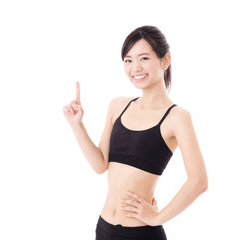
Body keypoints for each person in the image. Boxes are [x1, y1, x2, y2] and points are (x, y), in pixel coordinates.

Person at [62, 25, 208, 240]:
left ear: (165, 61)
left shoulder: (177, 118)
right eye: (128, 60)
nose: (135, 67)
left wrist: (158, 217)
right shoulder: (118, 106)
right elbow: (100, 164)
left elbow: (199, 181)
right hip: (103, 228)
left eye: (143, 58)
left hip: (141, 234)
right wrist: (77, 125)